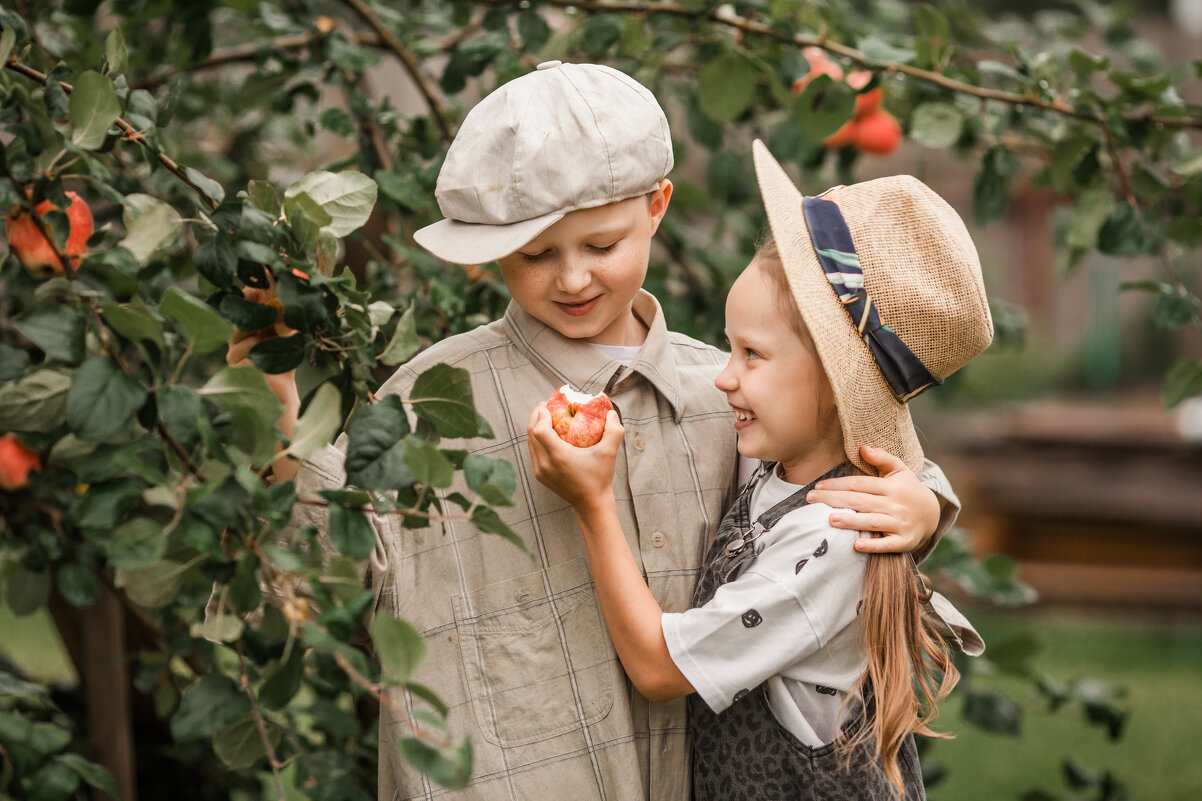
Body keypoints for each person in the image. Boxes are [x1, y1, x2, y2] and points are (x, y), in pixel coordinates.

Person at [231, 63, 962, 800]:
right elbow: (313, 574)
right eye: (536, 255)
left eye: (601, 245)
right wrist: (274, 407)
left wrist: (923, 505)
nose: (573, 279)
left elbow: (856, 467)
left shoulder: (728, 407)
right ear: (490, 254)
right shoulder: (436, 405)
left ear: (657, 205)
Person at [526, 140, 991, 801]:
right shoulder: (782, 462)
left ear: (834, 383)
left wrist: (591, 502)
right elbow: (911, 479)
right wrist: (925, 505)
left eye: (750, 354)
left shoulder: (830, 541)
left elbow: (659, 667)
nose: (723, 375)